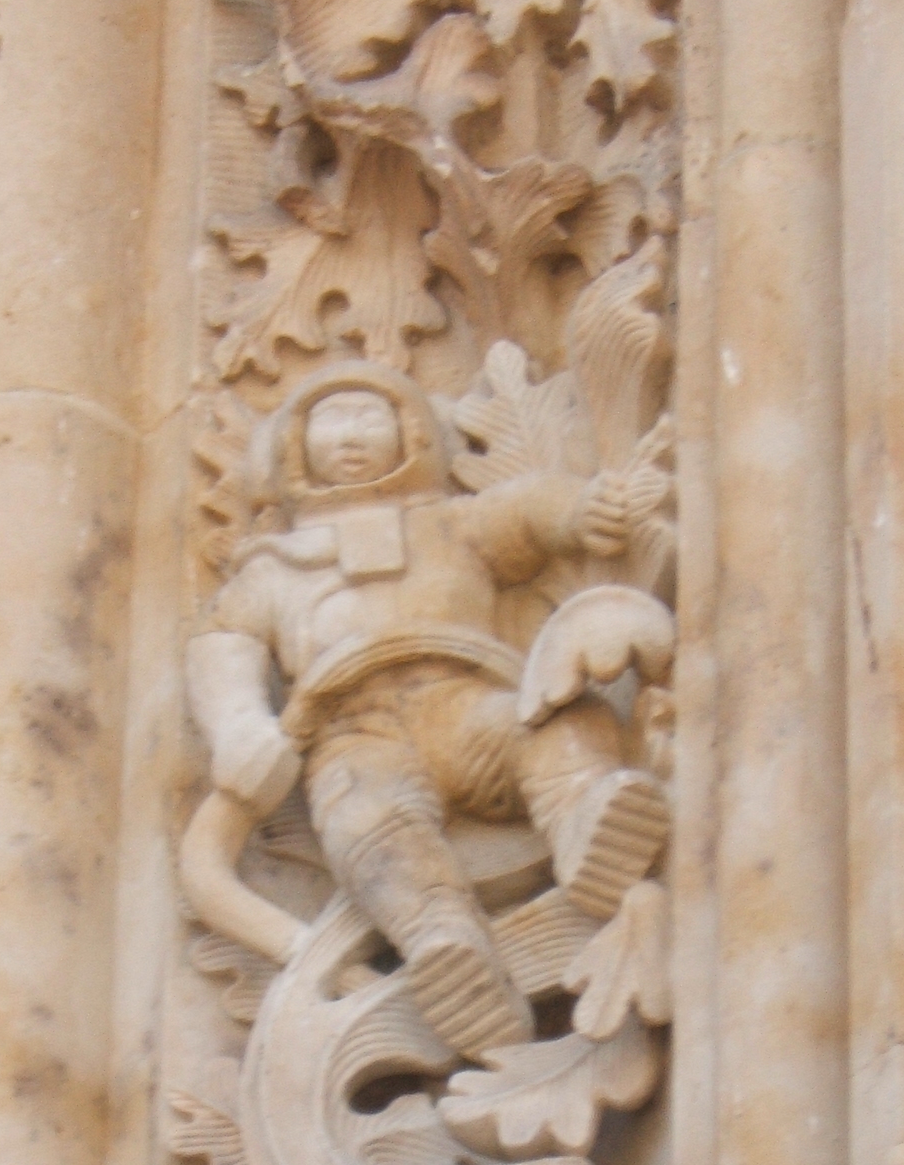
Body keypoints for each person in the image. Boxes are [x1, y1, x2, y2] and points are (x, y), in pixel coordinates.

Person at [186, 361, 669, 1056]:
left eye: (369, 415)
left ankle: (586, 820)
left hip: (467, 702)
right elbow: (223, 644)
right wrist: (238, 726)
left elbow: (527, 512)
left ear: (413, 432)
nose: (350, 434)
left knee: (559, 722)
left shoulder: (453, 526)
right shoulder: (275, 568)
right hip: (355, 735)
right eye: (330, 419)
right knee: (370, 828)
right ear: (292, 446)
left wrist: (580, 511)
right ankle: (446, 948)